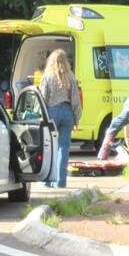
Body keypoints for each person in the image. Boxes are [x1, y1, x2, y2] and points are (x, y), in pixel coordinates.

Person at [38, 49, 81, 188]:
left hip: (52, 113)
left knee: (49, 147)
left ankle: (47, 181)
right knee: (63, 147)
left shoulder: (47, 76)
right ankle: (60, 182)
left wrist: (41, 116)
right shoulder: (70, 76)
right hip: (67, 113)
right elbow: (75, 99)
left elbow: (43, 98)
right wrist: (76, 118)